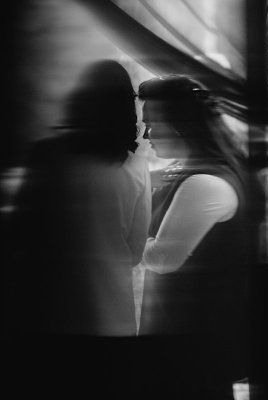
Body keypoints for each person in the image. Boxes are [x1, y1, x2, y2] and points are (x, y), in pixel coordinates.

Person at [5, 59, 151, 395]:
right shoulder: (136, 168)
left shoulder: (45, 156)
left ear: (79, 99)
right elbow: (134, 253)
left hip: (50, 316)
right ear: (126, 108)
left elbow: (20, 236)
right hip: (114, 320)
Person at [136, 75, 251, 399]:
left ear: (179, 125)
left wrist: (124, 233)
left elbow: (163, 259)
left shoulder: (204, 183)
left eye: (152, 124)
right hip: (179, 335)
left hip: (194, 343)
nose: (145, 135)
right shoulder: (188, 169)